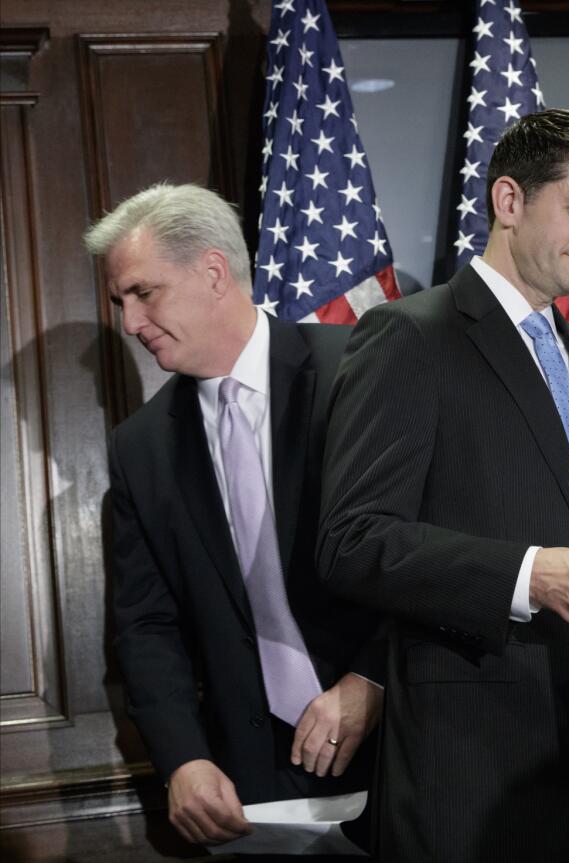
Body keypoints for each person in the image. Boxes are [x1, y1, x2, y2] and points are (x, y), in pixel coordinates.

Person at [317, 109, 569, 862]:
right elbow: (353, 539)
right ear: (508, 202)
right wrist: (526, 575)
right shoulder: (411, 336)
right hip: (476, 773)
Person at [88, 183, 381, 849]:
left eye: (144, 293)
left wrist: (374, 679)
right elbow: (146, 625)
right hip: (250, 791)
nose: (130, 322)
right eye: (120, 302)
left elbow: (427, 550)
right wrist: (183, 759)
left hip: (402, 756)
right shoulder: (141, 446)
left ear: (213, 271)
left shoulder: (357, 371)